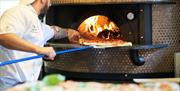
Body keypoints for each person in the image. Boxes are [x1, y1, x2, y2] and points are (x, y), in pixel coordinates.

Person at [0, 0, 81, 90]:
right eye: (49, 1)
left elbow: (54, 31)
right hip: (9, 84)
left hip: (26, 85)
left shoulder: (36, 21)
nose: (50, 4)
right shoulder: (18, 11)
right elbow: (4, 37)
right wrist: (38, 49)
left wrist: (69, 32)